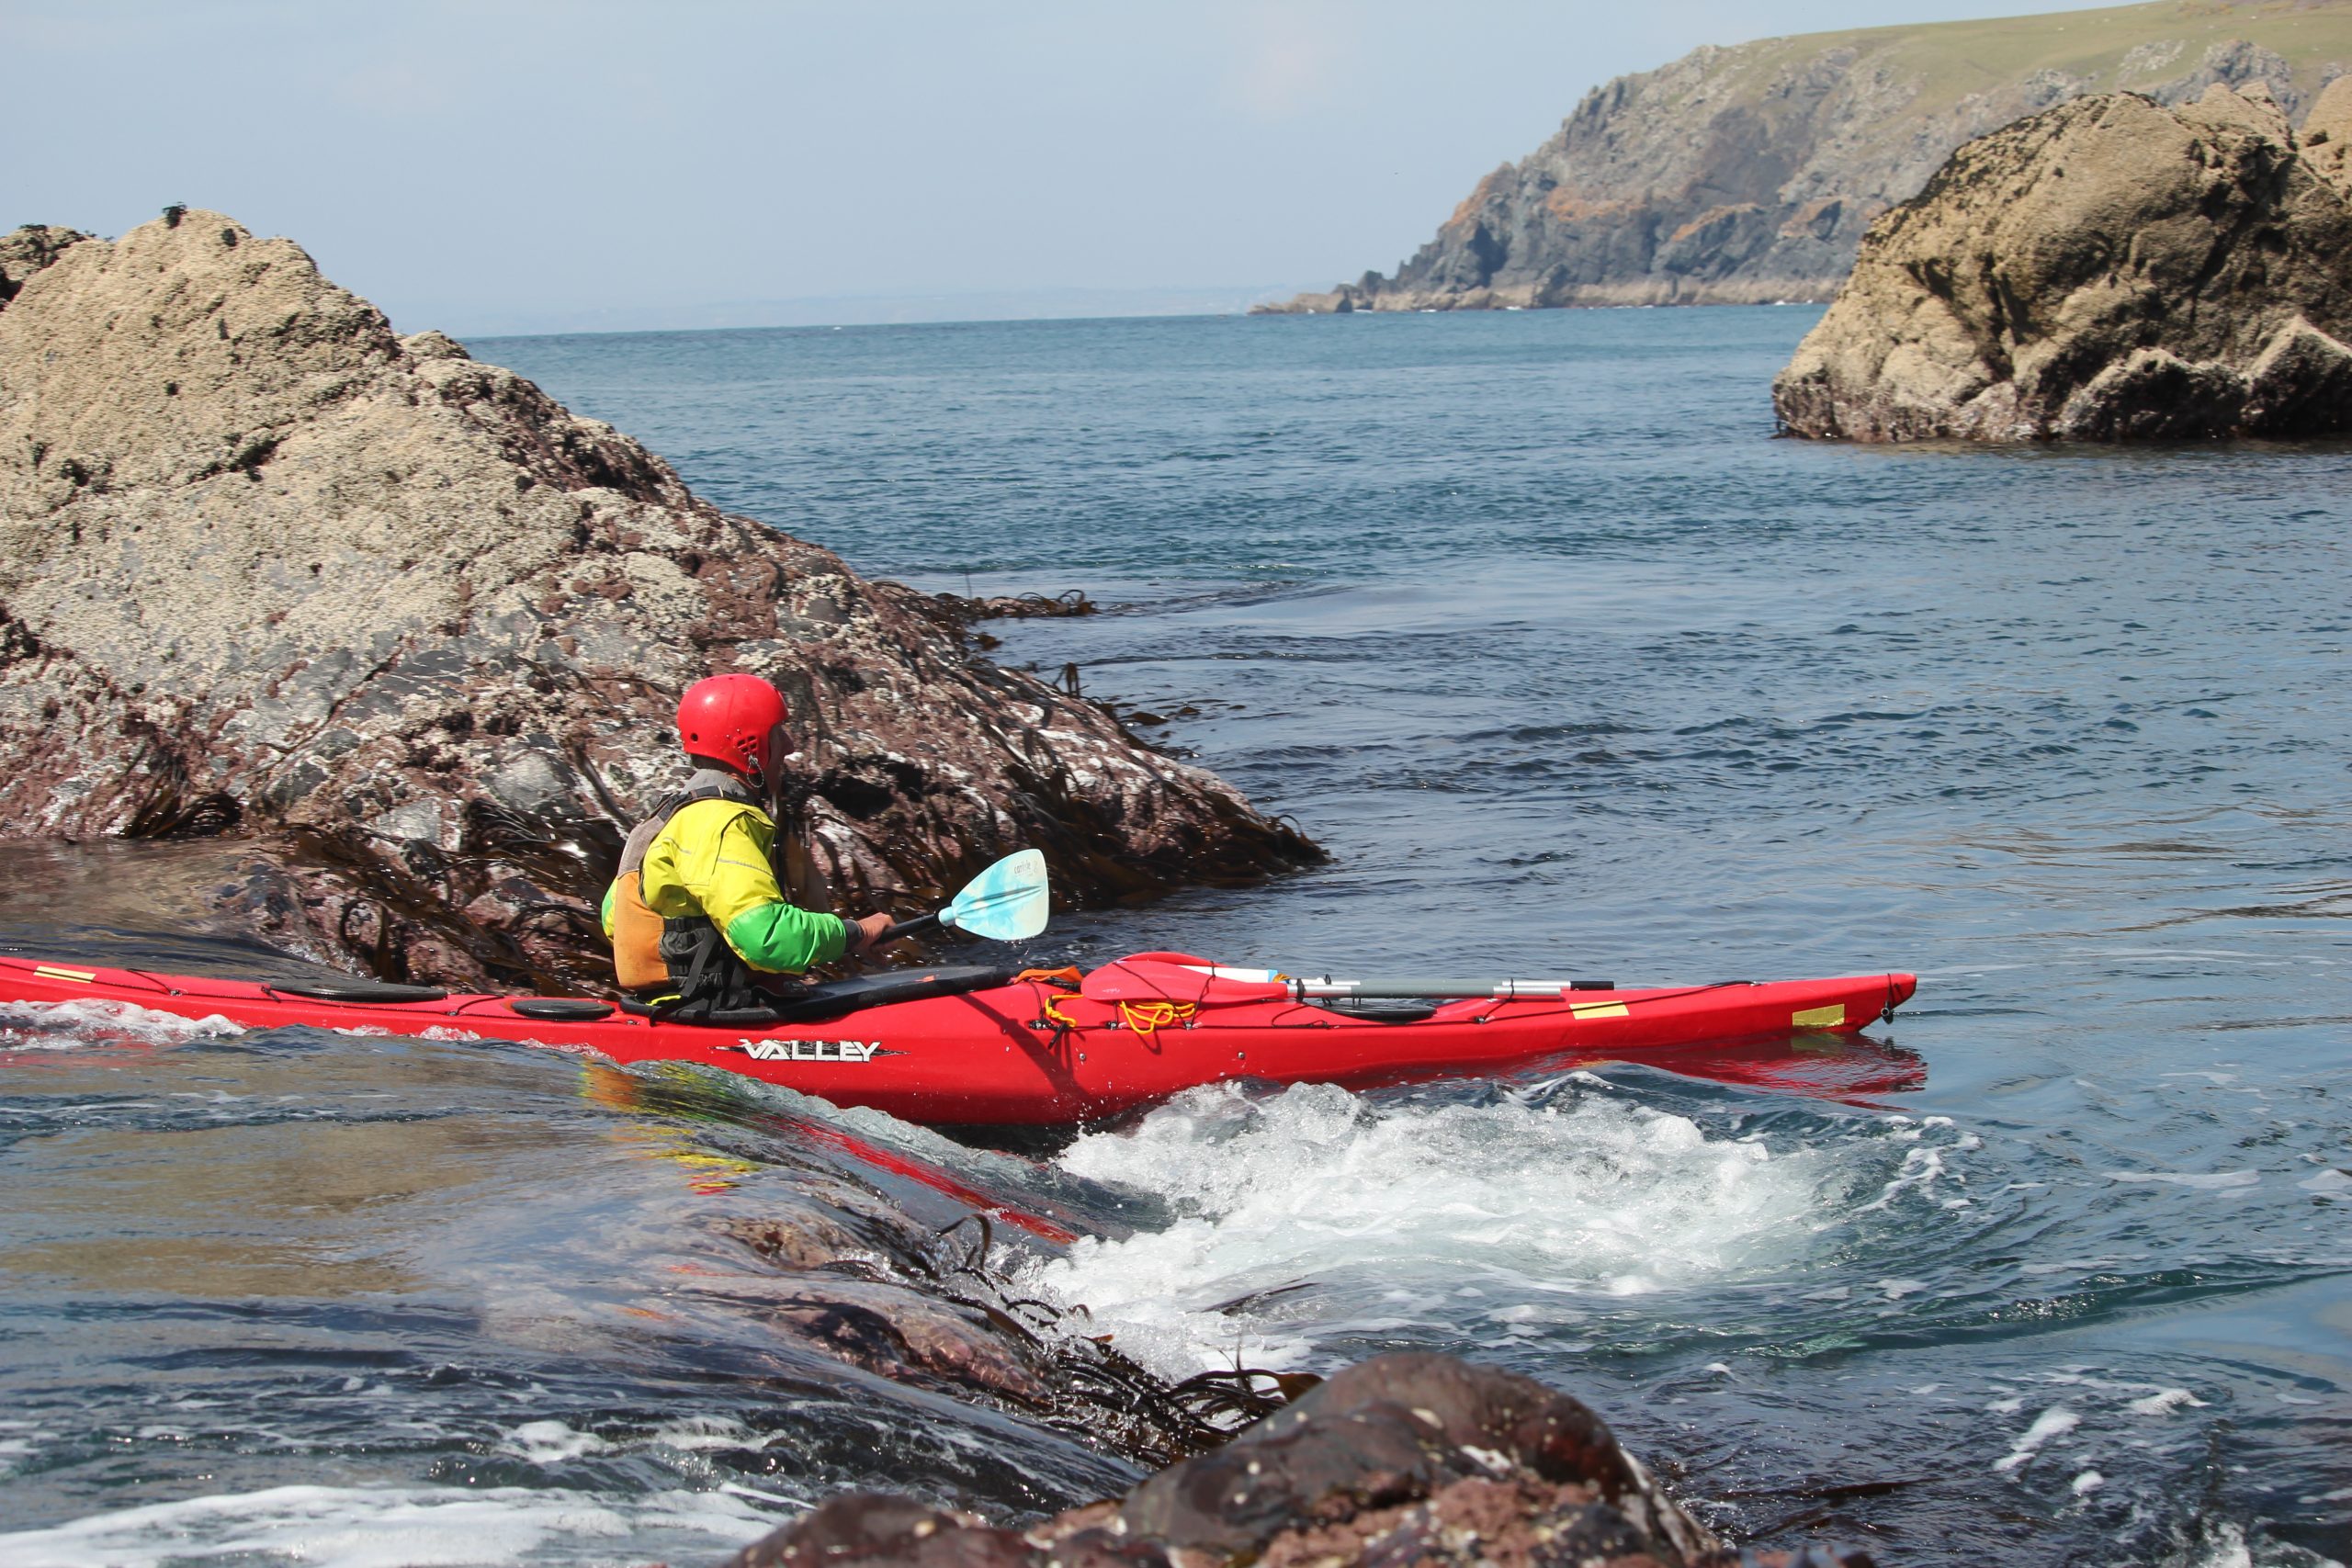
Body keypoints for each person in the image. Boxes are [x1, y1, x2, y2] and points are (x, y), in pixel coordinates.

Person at [601, 673, 892, 1021]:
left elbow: (614, 920)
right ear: (750, 748)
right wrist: (855, 933)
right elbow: (766, 937)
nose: (789, 745)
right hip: (711, 1012)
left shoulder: (667, 816)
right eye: (778, 733)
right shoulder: (721, 823)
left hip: (671, 1007)